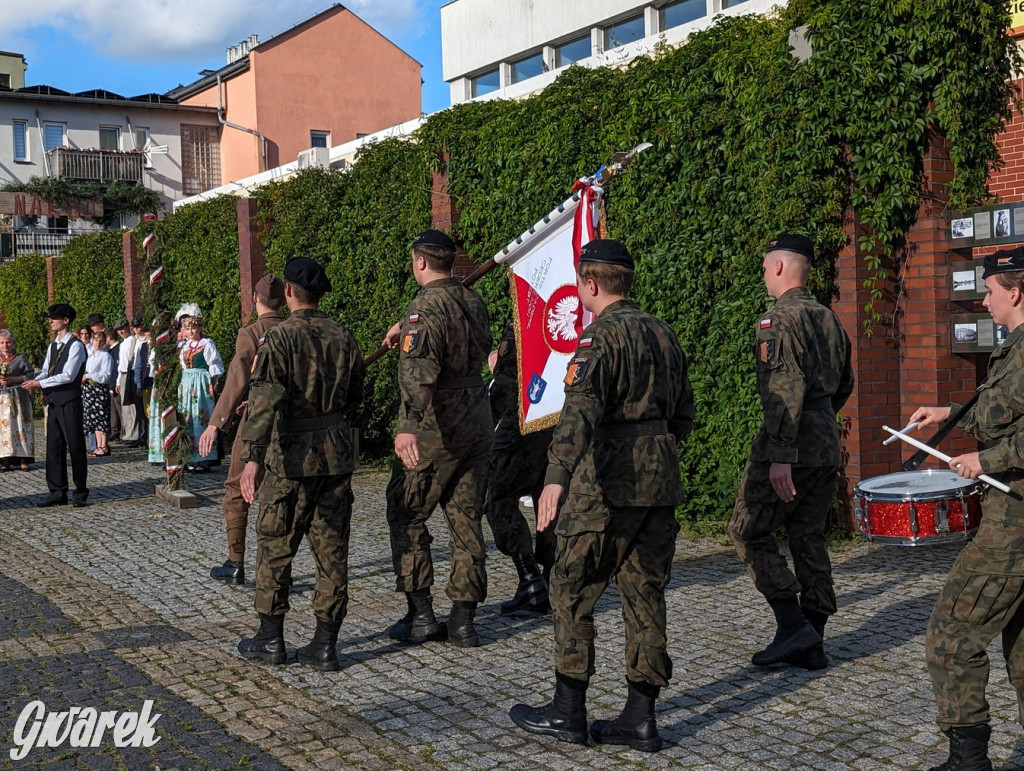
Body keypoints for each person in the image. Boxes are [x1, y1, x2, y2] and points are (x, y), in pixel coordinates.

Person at [508, 239, 694, 752]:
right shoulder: (663, 333)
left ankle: (568, 711)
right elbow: (684, 414)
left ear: (590, 285)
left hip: (608, 482)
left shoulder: (598, 339)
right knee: (644, 592)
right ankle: (640, 716)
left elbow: (580, 411)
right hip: (660, 480)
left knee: (571, 586)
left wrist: (555, 476)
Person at [908, 247, 1024, 770]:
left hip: (1014, 524)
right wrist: (950, 414)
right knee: (1022, 645)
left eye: (990, 291)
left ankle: (968, 762)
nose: (983, 299)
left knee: (950, 635)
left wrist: (987, 460)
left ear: (1014, 292)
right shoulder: (1016, 347)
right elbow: (1006, 412)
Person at [728, 234, 854, 671]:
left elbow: (783, 389)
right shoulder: (829, 319)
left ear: (779, 267)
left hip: (792, 442)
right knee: (808, 534)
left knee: (748, 528)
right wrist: (820, 423)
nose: (763, 275)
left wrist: (782, 452)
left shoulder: (777, 321)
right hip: (824, 439)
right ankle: (813, 641)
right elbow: (846, 385)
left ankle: (792, 623)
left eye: (765, 267)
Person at [236, 257, 364, 672]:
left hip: (290, 458)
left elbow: (263, 402)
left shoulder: (280, 339)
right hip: (336, 456)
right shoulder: (344, 336)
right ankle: (325, 644)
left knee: (275, 546)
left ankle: (270, 637)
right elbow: (356, 394)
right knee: (332, 551)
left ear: (288, 292)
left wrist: (251, 458)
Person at [382, 229, 493, 647]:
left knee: (406, 511)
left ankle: (421, 614)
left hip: (436, 424)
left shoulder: (424, 308)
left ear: (421, 262)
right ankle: (464, 620)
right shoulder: (471, 299)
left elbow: (421, 371)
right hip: (476, 418)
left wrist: (408, 424)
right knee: (466, 519)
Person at [199, 275, 285, 585]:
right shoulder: (295, 329)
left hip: (256, 422)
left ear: (254, 298)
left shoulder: (251, 333)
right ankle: (277, 567)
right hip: (291, 421)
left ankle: (236, 562)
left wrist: (214, 424)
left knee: (237, 490)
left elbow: (237, 377)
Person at [486, 320, 555, 615]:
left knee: (495, 493)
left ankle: (531, 579)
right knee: (549, 497)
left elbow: (506, 382)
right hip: (560, 415)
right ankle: (550, 581)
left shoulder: (527, 310)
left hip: (525, 417)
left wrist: (485, 420)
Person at [22, 303, 89, 508]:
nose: (51, 321)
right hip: (54, 402)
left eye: (55, 317)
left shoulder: (76, 346)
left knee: (75, 446)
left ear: (66, 320)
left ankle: (80, 491)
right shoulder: (53, 346)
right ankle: (57, 491)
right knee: (54, 447)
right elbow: (46, 371)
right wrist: (29, 381)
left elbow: (68, 375)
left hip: (69, 401)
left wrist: (40, 383)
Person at [175, 304, 224, 472]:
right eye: (188, 329)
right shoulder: (184, 346)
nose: (191, 332)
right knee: (188, 418)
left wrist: (213, 381)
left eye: (194, 327)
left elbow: (215, 364)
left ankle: (204, 459)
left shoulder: (207, 343)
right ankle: (189, 457)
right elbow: (182, 366)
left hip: (202, 384)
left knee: (202, 418)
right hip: (187, 383)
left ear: (200, 327)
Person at [0, 328, 35, 472]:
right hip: (2, 399)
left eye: (7, 342)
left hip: (18, 397)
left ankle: (23, 459)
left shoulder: (21, 358)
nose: (4, 345)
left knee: (20, 427)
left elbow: (31, 374)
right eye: (1, 342)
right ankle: (5, 460)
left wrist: (14, 379)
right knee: (5, 429)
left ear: (13, 343)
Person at [82, 329, 115, 457]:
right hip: (90, 390)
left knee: (102, 417)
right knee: (94, 418)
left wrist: (89, 376)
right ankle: (98, 445)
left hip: (99, 389)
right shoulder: (91, 356)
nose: (98, 343)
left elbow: (105, 375)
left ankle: (104, 446)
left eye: (101, 341)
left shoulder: (105, 356)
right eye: (96, 340)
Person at [116, 317, 146, 445]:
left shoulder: (132, 341)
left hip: (131, 373)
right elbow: (121, 364)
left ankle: (133, 435)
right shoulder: (122, 344)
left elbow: (133, 362)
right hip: (123, 373)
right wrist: (118, 381)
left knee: (132, 407)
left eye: (123, 329)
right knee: (125, 407)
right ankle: (127, 433)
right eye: (119, 330)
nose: (121, 332)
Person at [107, 322, 125, 441]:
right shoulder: (111, 350)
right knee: (113, 410)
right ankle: (114, 431)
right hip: (112, 384)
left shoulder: (117, 349)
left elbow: (116, 369)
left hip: (115, 384)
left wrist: (113, 385)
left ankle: (123, 431)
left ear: (109, 337)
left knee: (120, 410)